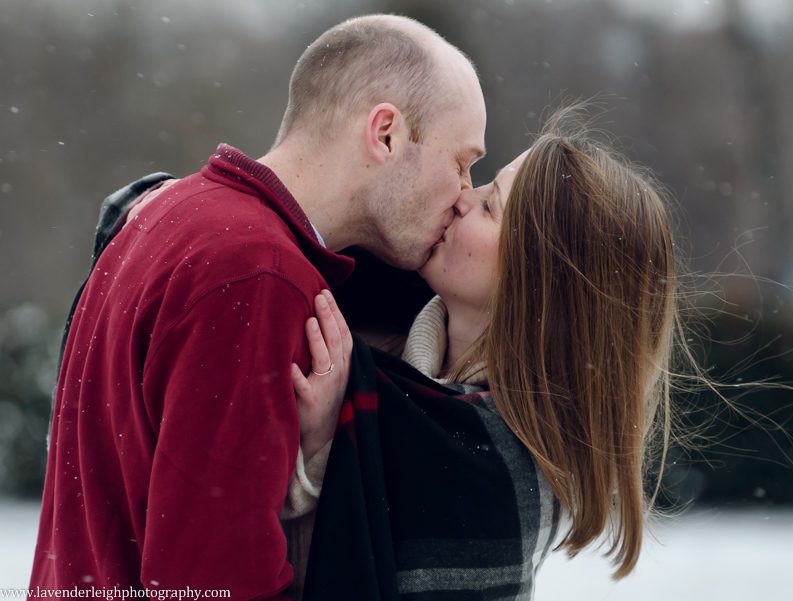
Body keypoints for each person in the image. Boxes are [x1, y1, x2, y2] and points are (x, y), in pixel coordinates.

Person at [30, 14, 486, 596]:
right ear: (387, 133)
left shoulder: (172, 214)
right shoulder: (255, 272)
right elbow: (213, 579)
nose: (465, 194)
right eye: (461, 162)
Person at [286, 107, 682, 599]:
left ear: (534, 284)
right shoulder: (384, 358)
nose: (460, 198)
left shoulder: (492, 461)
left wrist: (322, 445)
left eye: (490, 206)